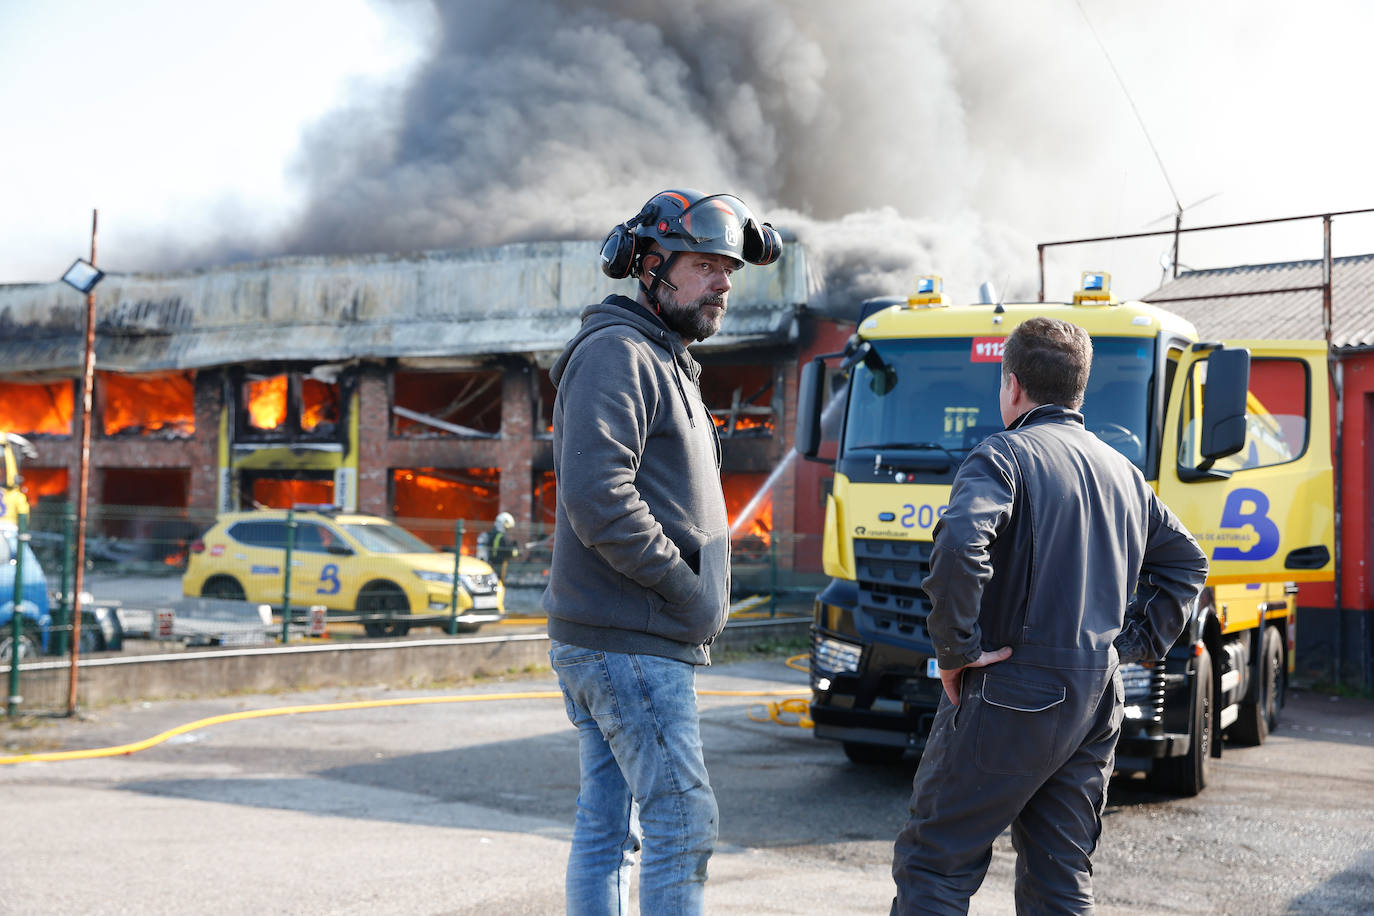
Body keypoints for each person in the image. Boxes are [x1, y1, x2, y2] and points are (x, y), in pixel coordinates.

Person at [891, 316, 1209, 915]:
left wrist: (956, 652)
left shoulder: (1004, 455)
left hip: (1011, 688)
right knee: (1060, 879)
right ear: (1078, 391)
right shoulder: (1124, 474)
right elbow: (1187, 564)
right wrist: (1131, 644)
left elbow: (961, 545)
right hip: (1095, 699)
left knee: (935, 864)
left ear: (1011, 386)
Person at [542, 189, 781, 915]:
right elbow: (599, 501)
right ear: (648, 264)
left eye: (729, 269)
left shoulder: (659, 356)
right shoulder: (618, 354)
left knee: (609, 826)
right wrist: (683, 589)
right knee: (682, 821)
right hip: (632, 641)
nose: (723, 283)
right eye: (705, 264)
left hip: (627, 638)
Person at [476, 511, 518, 582]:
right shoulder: (500, 537)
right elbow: (510, 553)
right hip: (497, 568)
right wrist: (516, 548)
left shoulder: (489, 534)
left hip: (486, 567)